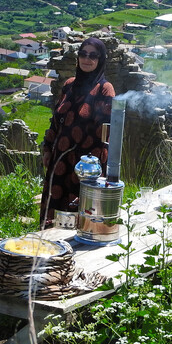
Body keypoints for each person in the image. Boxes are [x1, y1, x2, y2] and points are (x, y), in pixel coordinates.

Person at [40, 37, 115, 228]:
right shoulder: (69, 85)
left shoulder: (104, 90)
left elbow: (106, 135)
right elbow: (56, 122)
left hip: (85, 170)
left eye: (93, 55)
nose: (86, 59)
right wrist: (47, 149)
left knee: (78, 222)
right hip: (59, 165)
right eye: (83, 54)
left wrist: (94, 172)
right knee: (52, 221)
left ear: (101, 60)